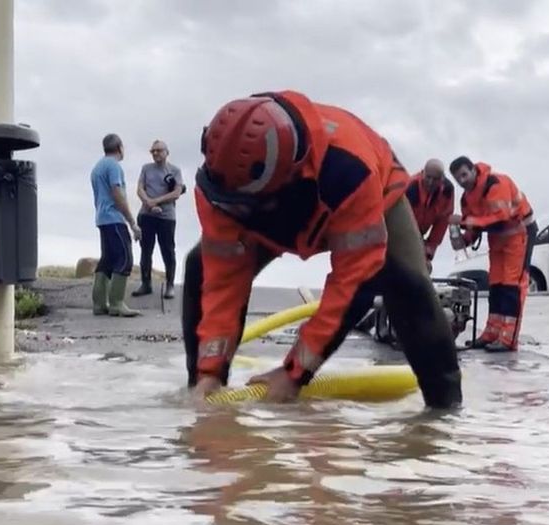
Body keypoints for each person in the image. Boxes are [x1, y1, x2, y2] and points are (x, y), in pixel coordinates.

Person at [181, 90, 463, 409]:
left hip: (374, 195)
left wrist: (294, 373)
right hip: (273, 206)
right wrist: (210, 372)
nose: (235, 214)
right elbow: (222, 284)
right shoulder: (220, 184)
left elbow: (354, 283)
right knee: (200, 266)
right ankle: (201, 392)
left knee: (407, 284)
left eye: (243, 207)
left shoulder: (349, 171)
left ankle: (444, 413)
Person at [448, 156, 536, 352]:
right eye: (458, 178)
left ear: (473, 170)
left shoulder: (495, 183)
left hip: (519, 233)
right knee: (496, 283)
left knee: (512, 285)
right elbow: (476, 226)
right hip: (497, 238)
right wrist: (463, 240)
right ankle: (492, 332)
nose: (462, 181)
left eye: (464, 175)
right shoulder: (467, 198)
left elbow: (500, 218)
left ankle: (508, 338)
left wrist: (464, 221)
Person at [90, 133, 141, 317]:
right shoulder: (114, 166)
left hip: (102, 218)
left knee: (108, 259)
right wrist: (132, 222)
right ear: (120, 147)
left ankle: (99, 304)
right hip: (114, 218)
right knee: (124, 259)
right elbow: (117, 193)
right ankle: (116, 303)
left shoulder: (97, 167)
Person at [133, 140, 185, 299]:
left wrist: (156, 201)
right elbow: (140, 188)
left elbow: (177, 192)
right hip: (147, 215)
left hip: (166, 217)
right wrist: (148, 202)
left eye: (159, 150)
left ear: (166, 152)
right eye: (153, 151)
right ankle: (146, 283)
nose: (155, 153)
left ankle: (170, 285)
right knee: (146, 250)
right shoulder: (146, 168)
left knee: (167, 250)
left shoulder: (175, 170)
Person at [405, 159, 455, 273]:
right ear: (423, 173)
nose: (431, 182)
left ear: (442, 178)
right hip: (403, 232)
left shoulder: (447, 191)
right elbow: (399, 221)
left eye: (435, 179)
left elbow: (442, 222)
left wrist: (429, 250)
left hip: (419, 235)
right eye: (428, 177)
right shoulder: (410, 186)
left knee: (425, 269)